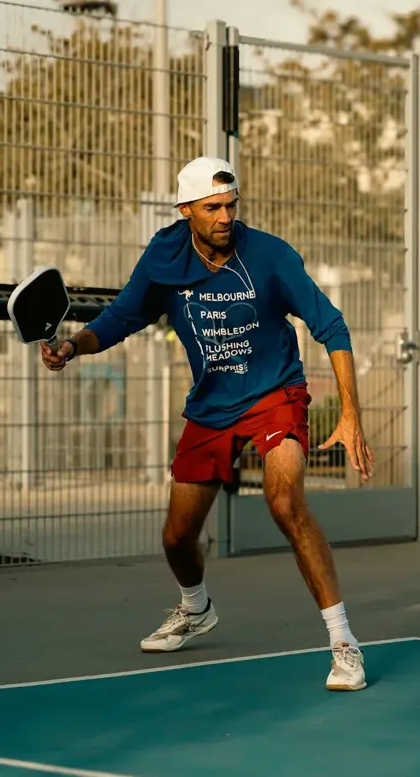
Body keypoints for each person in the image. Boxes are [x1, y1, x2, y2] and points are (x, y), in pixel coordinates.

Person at [39, 156, 375, 692]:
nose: (225, 217)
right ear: (186, 210)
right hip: (212, 406)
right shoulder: (164, 255)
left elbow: (331, 326)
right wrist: (74, 346)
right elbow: (123, 316)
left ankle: (343, 643)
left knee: (285, 502)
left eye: (231, 205)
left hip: (274, 394)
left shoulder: (270, 255)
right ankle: (195, 608)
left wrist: (351, 415)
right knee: (177, 537)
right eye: (213, 207)